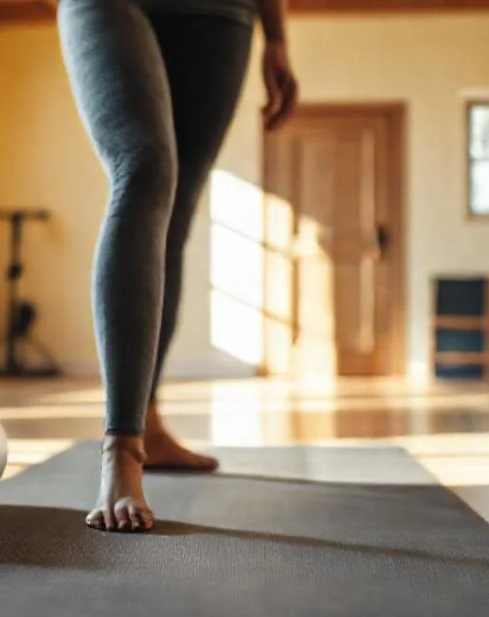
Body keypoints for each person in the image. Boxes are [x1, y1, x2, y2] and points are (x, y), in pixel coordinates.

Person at [56, 0, 298, 532]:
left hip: (221, 14)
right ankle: (121, 446)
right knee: (141, 170)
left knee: (176, 215)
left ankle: (150, 421)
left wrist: (277, 38)